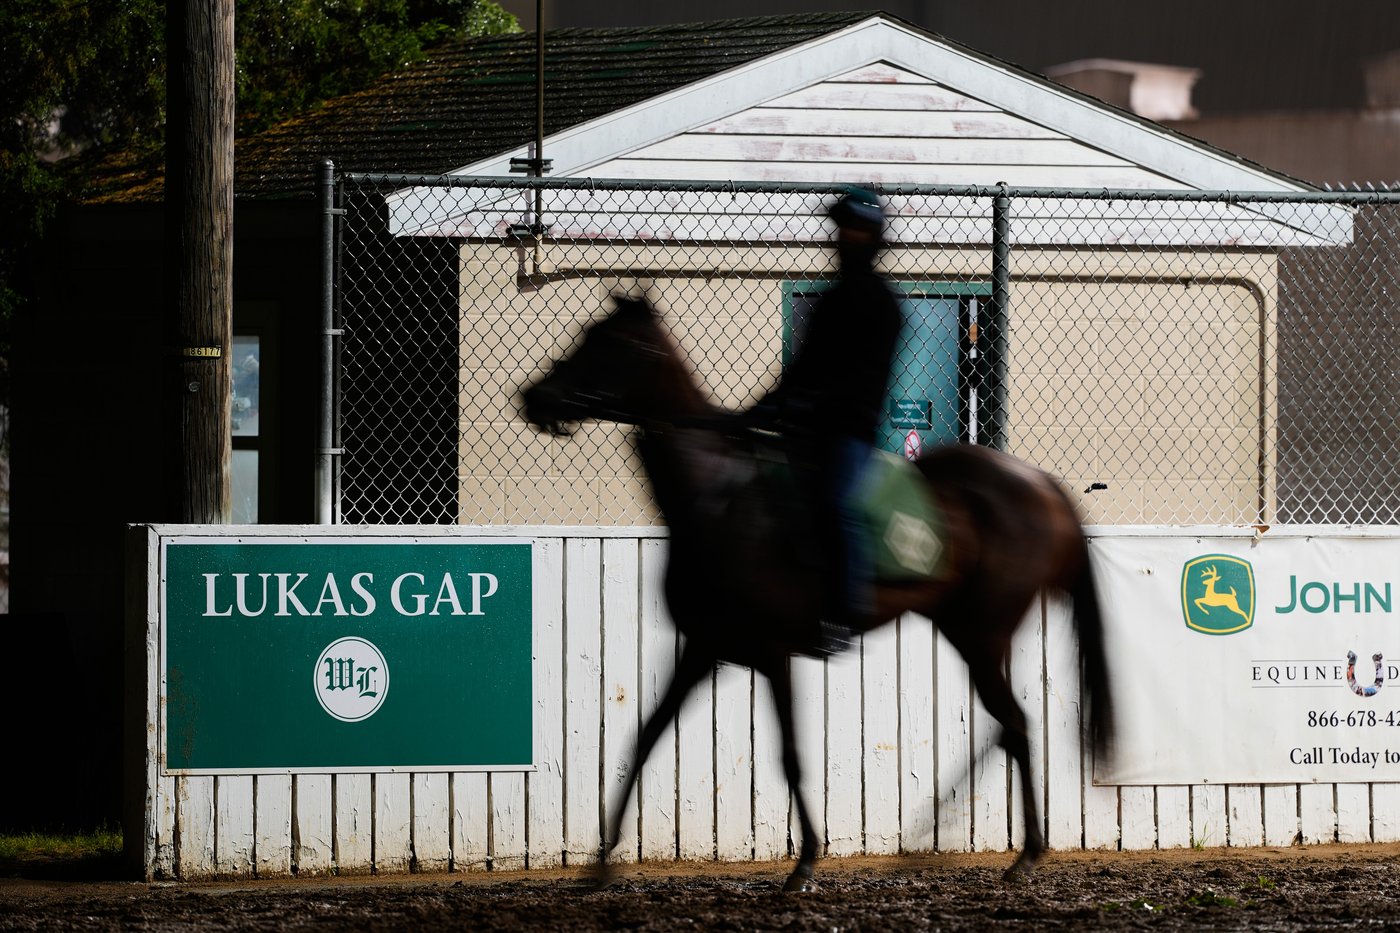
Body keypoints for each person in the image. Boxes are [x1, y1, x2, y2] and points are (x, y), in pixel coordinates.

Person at [744, 186, 904, 655]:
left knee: (837, 504)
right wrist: (761, 409)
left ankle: (844, 611)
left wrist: (810, 404)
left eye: (855, 230)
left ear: (872, 238)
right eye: (842, 229)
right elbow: (801, 369)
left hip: (849, 432)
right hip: (806, 427)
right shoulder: (829, 302)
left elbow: (862, 377)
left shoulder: (881, 304)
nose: (844, 238)